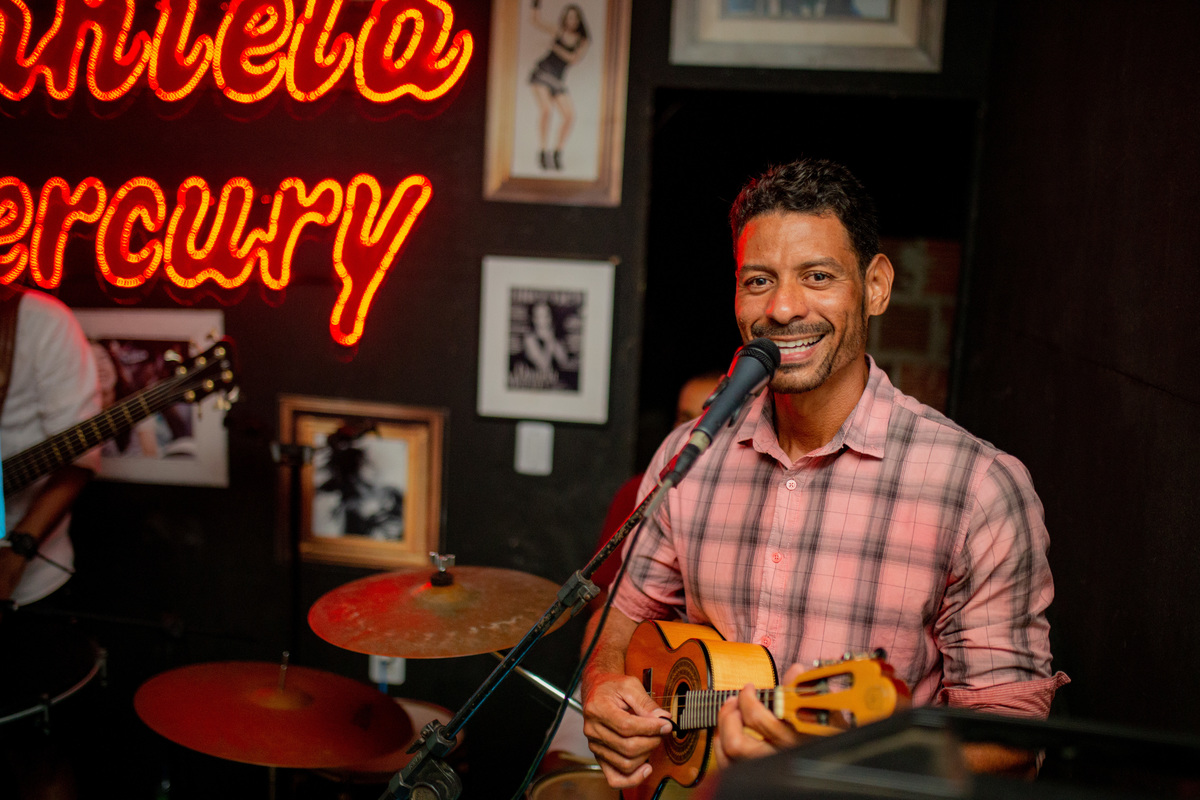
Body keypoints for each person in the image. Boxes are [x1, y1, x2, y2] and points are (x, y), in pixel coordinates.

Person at [579, 158, 1069, 791]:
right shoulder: (690, 456)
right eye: (759, 280)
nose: (782, 309)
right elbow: (619, 621)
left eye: (817, 276)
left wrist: (852, 770)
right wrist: (605, 689)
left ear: (876, 287)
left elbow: (1010, 741)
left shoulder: (978, 489)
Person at [0, 286, 102, 800]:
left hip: (28, 590)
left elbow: (78, 457)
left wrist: (17, 549)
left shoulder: (42, 324)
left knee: (38, 760)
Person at [528, 1, 590, 171]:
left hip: (558, 79)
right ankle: (542, 151)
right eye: (569, 17)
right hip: (543, 73)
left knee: (569, 115)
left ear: (578, 20)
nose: (571, 21)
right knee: (547, 110)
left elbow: (573, 59)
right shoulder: (559, 32)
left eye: (574, 18)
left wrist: (555, 46)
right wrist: (535, 5)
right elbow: (536, 21)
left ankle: (557, 151)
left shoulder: (582, 41)